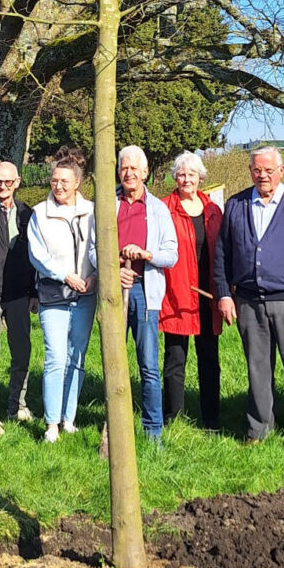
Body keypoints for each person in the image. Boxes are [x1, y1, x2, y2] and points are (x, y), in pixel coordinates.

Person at [212, 145, 284, 459]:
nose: (262, 176)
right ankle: (258, 429)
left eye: (268, 170)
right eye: (256, 170)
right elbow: (222, 254)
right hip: (248, 301)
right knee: (257, 370)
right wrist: (224, 293)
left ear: (282, 170)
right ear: (250, 171)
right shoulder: (235, 205)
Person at [28, 147, 97, 443]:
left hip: (85, 295)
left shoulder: (92, 211)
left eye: (64, 181)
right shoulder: (39, 214)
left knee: (77, 357)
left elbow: (98, 246)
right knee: (55, 357)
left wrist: (94, 277)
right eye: (54, 181)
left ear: (77, 183)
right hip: (54, 294)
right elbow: (36, 254)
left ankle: (69, 418)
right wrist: (64, 274)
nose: (58, 186)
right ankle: (51, 423)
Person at [114, 145, 178, 442]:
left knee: (148, 365)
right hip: (114, 290)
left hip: (145, 292)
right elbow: (92, 248)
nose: (128, 173)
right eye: (123, 167)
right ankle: (114, 422)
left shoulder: (157, 209)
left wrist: (145, 254)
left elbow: (171, 255)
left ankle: (153, 429)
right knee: (113, 362)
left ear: (145, 173)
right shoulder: (107, 204)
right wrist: (116, 265)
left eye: (134, 168)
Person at [159, 151, 223, 430]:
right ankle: (173, 417)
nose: (187, 179)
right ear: (175, 177)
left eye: (192, 175)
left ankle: (211, 418)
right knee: (175, 358)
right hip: (176, 291)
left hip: (208, 293)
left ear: (201, 178)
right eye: (182, 174)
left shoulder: (213, 210)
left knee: (209, 356)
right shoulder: (164, 208)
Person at [0, 161, 37, 436]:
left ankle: (17, 405)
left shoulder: (28, 214)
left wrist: (34, 292)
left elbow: (36, 256)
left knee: (22, 352)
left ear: (18, 182)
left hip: (19, 293)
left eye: (7, 182)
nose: (2, 187)